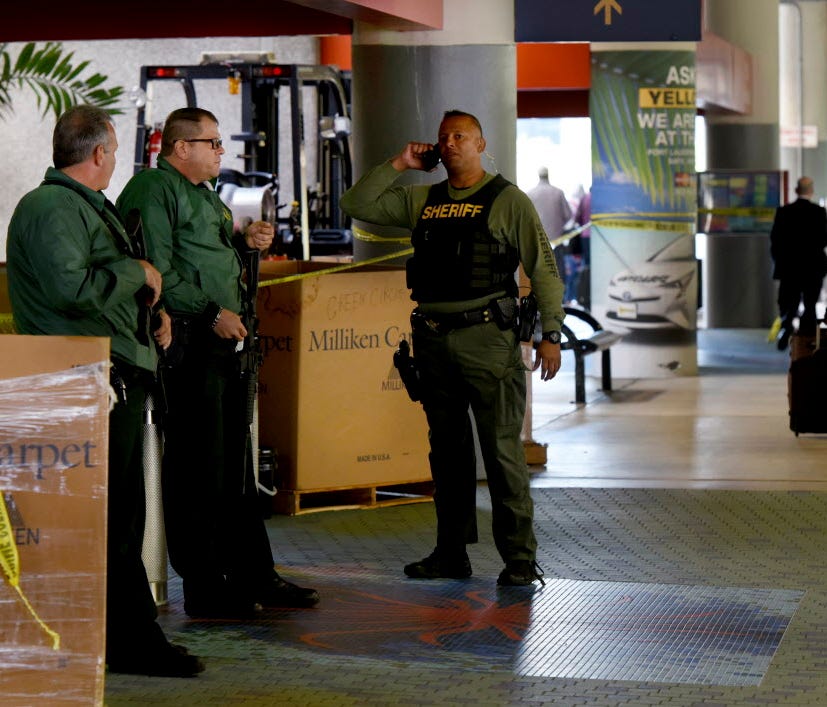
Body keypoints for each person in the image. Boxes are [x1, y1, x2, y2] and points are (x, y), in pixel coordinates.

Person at [6, 105, 204, 677]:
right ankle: (129, 643)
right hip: (79, 378)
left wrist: (153, 311)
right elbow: (72, 289)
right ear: (98, 154)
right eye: (115, 151)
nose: (116, 161)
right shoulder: (51, 208)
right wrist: (139, 275)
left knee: (120, 519)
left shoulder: (82, 207)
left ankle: (124, 637)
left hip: (106, 373)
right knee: (111, 523)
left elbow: (99, 279)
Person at [340, 109, 565, 586]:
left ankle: (520, 559)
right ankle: (450, 553)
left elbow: (543, 269)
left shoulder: (508, 201)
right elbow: (356, 203)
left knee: (502, 452)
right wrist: (399, 163)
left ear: (481, 144)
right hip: (434, 342)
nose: (450, 144)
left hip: (488, 341)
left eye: (460, 136)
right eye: (443, 138)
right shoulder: (423, 200)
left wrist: (551, 335)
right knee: (446, 453)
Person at [116, 107, 319, 618]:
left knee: (235, 469)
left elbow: (198, 255)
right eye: (212, 142)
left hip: (224, 343)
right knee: (197, 469)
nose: (220, 152)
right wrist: (210, 315)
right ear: (181, 147)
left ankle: (254, 573)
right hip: (189, 345)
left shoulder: (206, 196)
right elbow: (156, 270)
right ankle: (205, 588)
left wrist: (241, 242)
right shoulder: (152, 191)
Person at [769, 176, 827, 351]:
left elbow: (775, 241)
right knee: (810, 303)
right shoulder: (819, 212)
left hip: (789, 269)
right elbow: (824, 239)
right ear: (811, 191)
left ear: (796, 191)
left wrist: (780, 262)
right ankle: (807, 339)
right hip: (813, 268)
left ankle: (787, 326)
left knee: (789, 302)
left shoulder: (784, 212)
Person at [527, 167, 576, 304]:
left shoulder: (530, 194)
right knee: (558, 270)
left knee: (538, 271)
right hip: (556, 240)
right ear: (548, 175)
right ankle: (559, 302)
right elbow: (568, 215)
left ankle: (539, 301)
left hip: (537, 241)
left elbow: (526, 219)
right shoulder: (558, 193)